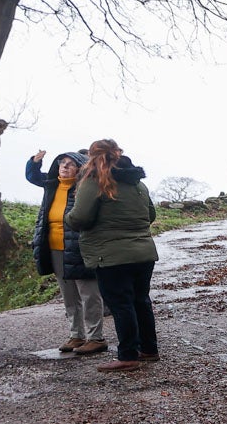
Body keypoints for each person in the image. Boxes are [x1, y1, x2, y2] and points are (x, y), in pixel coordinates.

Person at [66, 139, 159, 373]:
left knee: (121, 304)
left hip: (110, 255)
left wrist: (67, 218)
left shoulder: (94, 181)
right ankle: (149, 349)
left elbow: (80, 218)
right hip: (143, 252)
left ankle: (127, 356)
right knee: (141, 300)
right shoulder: (137, 183)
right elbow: (150, 214)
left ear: (91, 156)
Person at [28, 149, 108, 354]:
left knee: (89, 293)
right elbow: (32, 176)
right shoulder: (52, 185)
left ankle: (95, 337)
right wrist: (34, 162)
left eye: (70, 164)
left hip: (80, 247)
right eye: (62, 163)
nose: (64, 166)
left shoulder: (85, 187)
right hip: (55, 248)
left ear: (80, 168)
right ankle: (76, 335)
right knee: (69, 295)